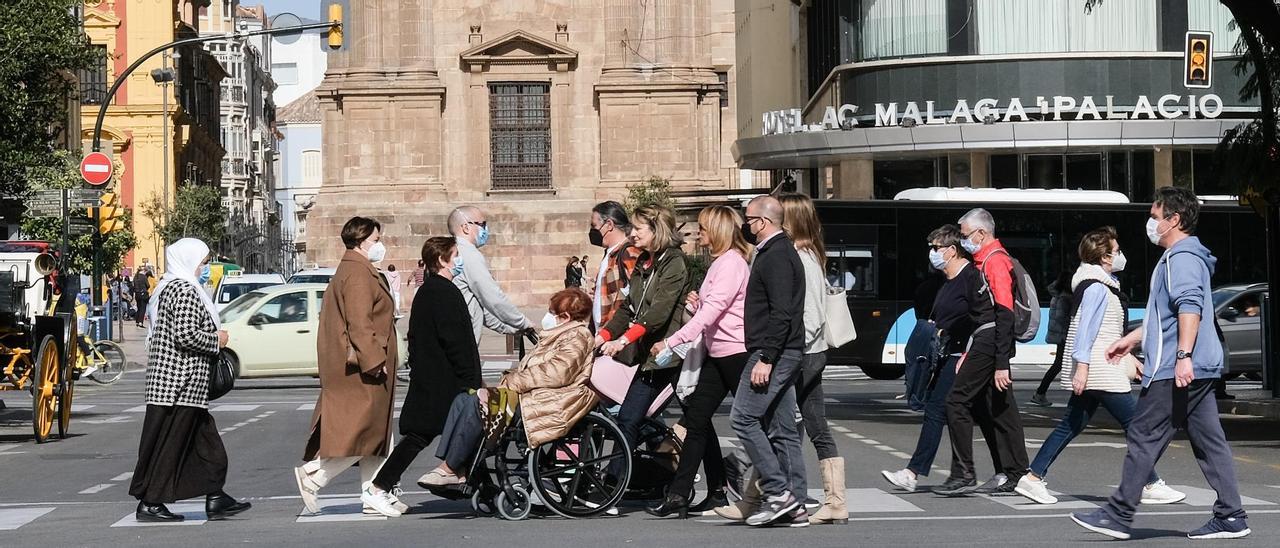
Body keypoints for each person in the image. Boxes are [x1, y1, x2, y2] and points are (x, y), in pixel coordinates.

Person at [1072, 187, 1251, 540]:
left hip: (1177, 367)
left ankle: (1118, 514)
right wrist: (1133, 339)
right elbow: (1166, 316)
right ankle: (1232, 517)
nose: (1150, 223)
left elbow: (1190, 308)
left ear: (1174, 220)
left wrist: (1183, 356)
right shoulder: (1185, 257)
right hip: (1195, 365)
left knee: (1142, 433)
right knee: (1209, 441)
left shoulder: (1180, 259)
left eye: (1155, 217)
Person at [1015, 227, 1185, 506]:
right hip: (1101, 368)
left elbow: (1105, 331)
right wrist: (1082, 367)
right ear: (1105, 257)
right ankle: (1150, 483)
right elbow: (1085, 330)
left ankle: (1033, 478)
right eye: (1117, 252)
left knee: (1071, 424)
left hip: (1101, 364)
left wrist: (1128, 359)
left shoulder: (1098, 284)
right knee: (1135, 424)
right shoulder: (1095, 287)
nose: (1120, 256)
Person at [419, 289, 597, 488]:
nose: (547, 316)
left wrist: (512, 382)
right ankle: (456, 466)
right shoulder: (559, 335)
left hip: (551, 401)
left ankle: (450, 467)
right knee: (463, 399)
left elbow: (558, 372)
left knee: (478, 404)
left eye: (551, 312)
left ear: (565, 317)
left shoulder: (577, 336)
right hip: (534, 395)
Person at [129, 238, 250, 522]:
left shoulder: (172, 287)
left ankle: (216, 496)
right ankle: (150, 502)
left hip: (186, 386)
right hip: (178, 384)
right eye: (203, 262)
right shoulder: (183, 290)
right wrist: (216, 340)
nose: (204, 268)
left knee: (208, 445)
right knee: (170, 445)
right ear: (188, 260)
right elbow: (185, 335)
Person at [643, 206, 751, 519]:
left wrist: (671, 340)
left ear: (717, 230)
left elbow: (713, 313)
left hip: (734, 353)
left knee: (755, 425)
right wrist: (697, 301)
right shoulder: (719, 263)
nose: (698, 233)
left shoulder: (731, 263)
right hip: (718, 353)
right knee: (697, 420)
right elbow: (713, 307)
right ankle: (685, 494)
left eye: (702, 228)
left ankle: (774, 489)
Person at [366, 237, 481, 516]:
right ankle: (378, 488)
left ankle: (475, 485)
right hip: (445, 380)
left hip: (434, 377)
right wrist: (473, 382)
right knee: (424, 434)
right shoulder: (443, 292)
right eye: (456, 255)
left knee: (454, 432)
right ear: (443, 260)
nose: (460, 260)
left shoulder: (429, 291)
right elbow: (457, 342)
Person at [294, 217, 400, 516]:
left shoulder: (358, 269)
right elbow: (359, 323)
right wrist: (375, 361)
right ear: (361, 240)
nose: (380, 245)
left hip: (364, 366)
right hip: (362, 369)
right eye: (376, 240)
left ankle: (372, 494)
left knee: (375, 433)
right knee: (362, 433)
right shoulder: (357, 273)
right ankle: (314, 475)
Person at [932, 208, 1029, 496]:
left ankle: (964, 473)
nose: (963, 242)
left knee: (957, 402)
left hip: (990, 340)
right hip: (986, 340)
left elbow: (1004, 312)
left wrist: (1001, 361)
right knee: (999, 409)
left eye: (965, 235)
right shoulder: (985, 260)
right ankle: (1015, 472)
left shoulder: (995, 261)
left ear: (982, 233)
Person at [882, 225, 984, 493]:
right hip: (946, 355)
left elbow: (981, 320)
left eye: (936, 248)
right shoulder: (947, 281)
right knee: (972, 414)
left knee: (939, 410)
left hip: (961, 356)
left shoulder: (971, 278)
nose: (932, 253)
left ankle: (916, 472)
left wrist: (970, 353)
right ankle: (1000, 472)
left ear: (952, 251)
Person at [596, 204, 691, 480]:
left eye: (639, 228)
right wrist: (600, 337)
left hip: (672, 354)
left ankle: (715, 487)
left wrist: (623, 340)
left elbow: (657, 314)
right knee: (629, 418)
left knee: (696, 424)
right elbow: (628, 308)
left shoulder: (674, 262)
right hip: (653, 357)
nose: (633, 233)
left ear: (656, 230)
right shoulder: (645, 262)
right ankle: (614, 483)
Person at [731, 195, 807, 527]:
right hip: (783, 350)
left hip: (774, 351)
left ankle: (779, 493)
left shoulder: (776, 256)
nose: (745, 226)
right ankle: (796, 504)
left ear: (762, 222)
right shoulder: (778, 252)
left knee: (743, 418)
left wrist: (766, 357)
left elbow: (782, 313)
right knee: (782, 427)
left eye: (747, 220)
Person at [777, 192, 845, 524]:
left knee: (772, 421)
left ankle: (781, 493)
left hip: (802, 352)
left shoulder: (800, 258)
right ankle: (835, 501)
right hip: (813, 352)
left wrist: (789, 351)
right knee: (815, 425)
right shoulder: (811, 255)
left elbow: (810, 315)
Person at [447, 205, 532, 344]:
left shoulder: (454, 251)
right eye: (482, 224)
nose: (485, 229)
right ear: (466, 227)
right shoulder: (468, 254)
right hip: (460, 342)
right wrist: (522, 322)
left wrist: (509, 328)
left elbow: (478, 306)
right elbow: (492, 297)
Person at [588, 201, 642, 330]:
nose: (592, 231)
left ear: (609, 225)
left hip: (616, 334)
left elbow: (636, 296)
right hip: (604, 333)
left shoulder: (628, 253)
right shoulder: (610, 254)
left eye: (594, 225)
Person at [1031, 269, 1075, 407]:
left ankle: (1040, 392)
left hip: (1061, 335)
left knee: (1060, 364)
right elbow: (1064, 319)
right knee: (1062, 365)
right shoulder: (1066, 298)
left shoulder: (1058, 295)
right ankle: (1040, 392)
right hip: (1064, 336)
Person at [903, 272, 945, 410]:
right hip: (939, 331)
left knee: (920, 366)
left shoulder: (923, 287)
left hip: (924, 327)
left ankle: (917, 396)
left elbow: (917, 310)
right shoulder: (947, 287)